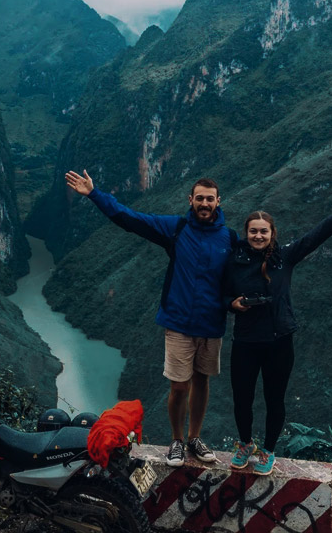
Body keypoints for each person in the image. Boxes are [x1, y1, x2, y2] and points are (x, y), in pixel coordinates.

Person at [65, 169, 237, 467]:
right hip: (179, 323)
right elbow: (130, 219)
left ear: (219, 202)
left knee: (202, 382)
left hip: (212, 325)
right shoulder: (177, 229)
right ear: (191, 200)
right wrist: (94, 194)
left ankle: (194, 437)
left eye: (210, 199)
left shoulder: (230, 238)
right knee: (179, 386)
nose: (205, 204)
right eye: (200, 199)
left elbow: (250, 268)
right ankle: (176, 440)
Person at [223, 183, 332, 475]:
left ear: (272, 234)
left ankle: (268, 450)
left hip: (279, 341)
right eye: (253, 231)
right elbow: (217, 294)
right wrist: (232, 304)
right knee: (242, 398)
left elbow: (316, 236)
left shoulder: (284, 257)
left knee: (275, 398)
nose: (258, 236)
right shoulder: (234, 261)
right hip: (245, 341)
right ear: (246, 233)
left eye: (264, 231)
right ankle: (245, 444)